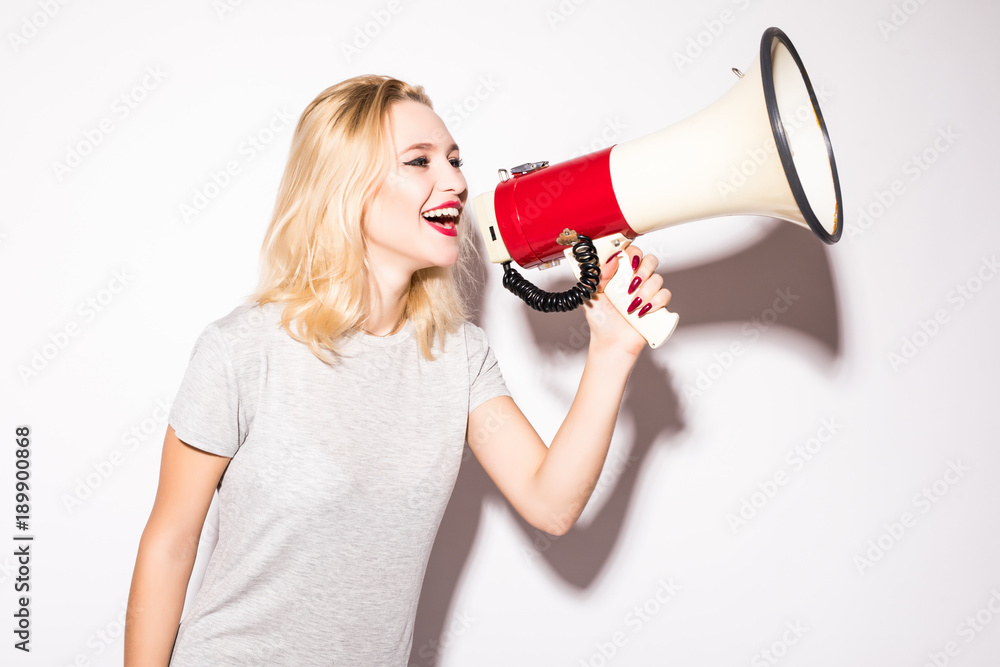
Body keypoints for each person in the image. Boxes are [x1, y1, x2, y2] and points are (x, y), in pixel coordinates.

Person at [124, 74, 672, 666]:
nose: (457, 182)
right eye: (420, 161)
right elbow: (171, 545)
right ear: (345, 188)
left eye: (456, 160)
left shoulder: (458, 355)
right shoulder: (242, 350)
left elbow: (551, 503)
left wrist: (611, 353)